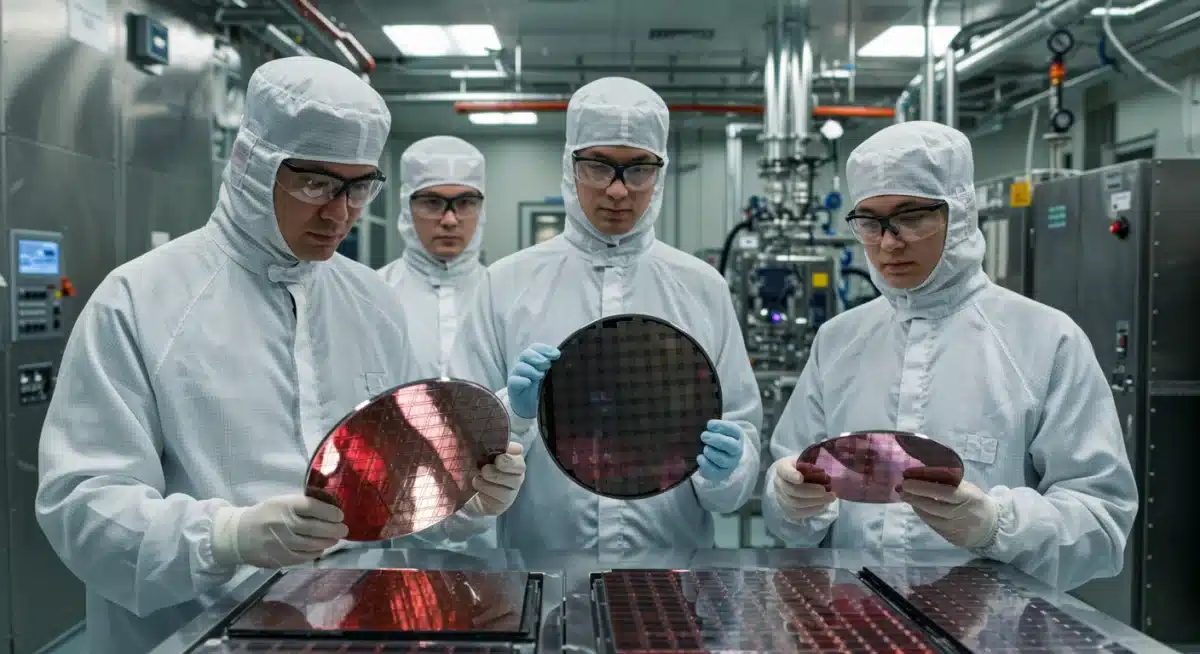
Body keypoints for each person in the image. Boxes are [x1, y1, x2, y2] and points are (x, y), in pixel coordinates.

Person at [34, 57, 525, 654]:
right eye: (315, 183)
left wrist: (467, 498)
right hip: (192, 632)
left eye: (359, 187)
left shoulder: (371, 302)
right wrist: (226, 537)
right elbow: (82, 503)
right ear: (250, 165)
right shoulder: (141, 300)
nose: (340, 213)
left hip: (356, 625)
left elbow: (399, 488)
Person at [762, 121, 1138, 590]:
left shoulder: (1045, 340)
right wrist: (789, 502)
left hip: (995, 628)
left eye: (912, 215)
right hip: (855, 619)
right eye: (869, 221)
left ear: (959, 212)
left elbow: (1103, 522)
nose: (888, 242)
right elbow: (788, 506)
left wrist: (997, 524)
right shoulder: (839, 341)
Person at [450, 76, 763, 552]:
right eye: (598, 167)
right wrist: (511, 415)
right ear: (570, 166)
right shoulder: (506, 284)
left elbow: (739, 430)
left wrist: (728, 471)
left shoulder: (703, 288)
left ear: (660, 172)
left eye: (638, 169)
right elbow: (460, 454)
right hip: (542, 568)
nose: (618, 191)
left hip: (671, 570)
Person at [378, 136, 488, 379]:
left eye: (466, 202)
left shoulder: (500, 293)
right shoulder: (375, 294)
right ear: (408, 208)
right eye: (432, 203)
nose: (449, 220)